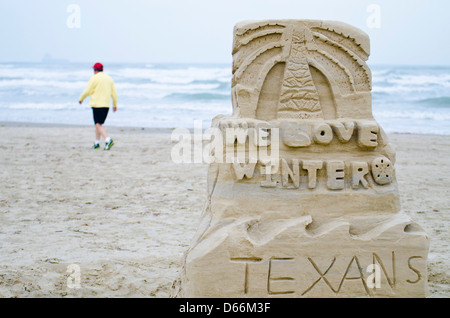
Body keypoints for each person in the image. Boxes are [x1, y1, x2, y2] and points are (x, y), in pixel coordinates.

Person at [79, 62, 118, 150]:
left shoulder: (94, 78)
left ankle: (108, 140)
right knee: (98, 124)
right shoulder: (109, 79)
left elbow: (87, 90)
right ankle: (97, 143)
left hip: (97, 104)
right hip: (106, 105)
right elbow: (114, 93)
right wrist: (114, 104)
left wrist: (81, 98)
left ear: (95, 70)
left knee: (98, 124)